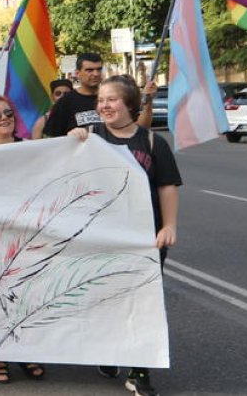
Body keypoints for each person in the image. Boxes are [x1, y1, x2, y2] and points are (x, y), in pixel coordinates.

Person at [69, 76, 180, 396]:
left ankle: (139, 371)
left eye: (112, 99)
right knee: (104, 298)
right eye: (101, 100)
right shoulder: (90, 137)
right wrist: (72, 138)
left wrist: (169, 225)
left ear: (130, 104)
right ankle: (108, 350)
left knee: (142, 301)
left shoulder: (151, 142)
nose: (104, 105)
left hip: (144, 239)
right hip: (101, 238)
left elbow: (167, 186)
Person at [0, 96, 46, 384]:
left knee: (26, 295)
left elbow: (61, 159)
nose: (4, 118)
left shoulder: (30, 149)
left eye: (8, 113)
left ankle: (26, 351)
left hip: (26, 234)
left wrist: (76, 139)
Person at [43, 52, 104, 136]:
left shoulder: (113, 98)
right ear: (77, 73)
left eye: (99, 69)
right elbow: (52, 139)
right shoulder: (65, 102)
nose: (96, 74)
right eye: (89, 70)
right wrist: (70, 135)